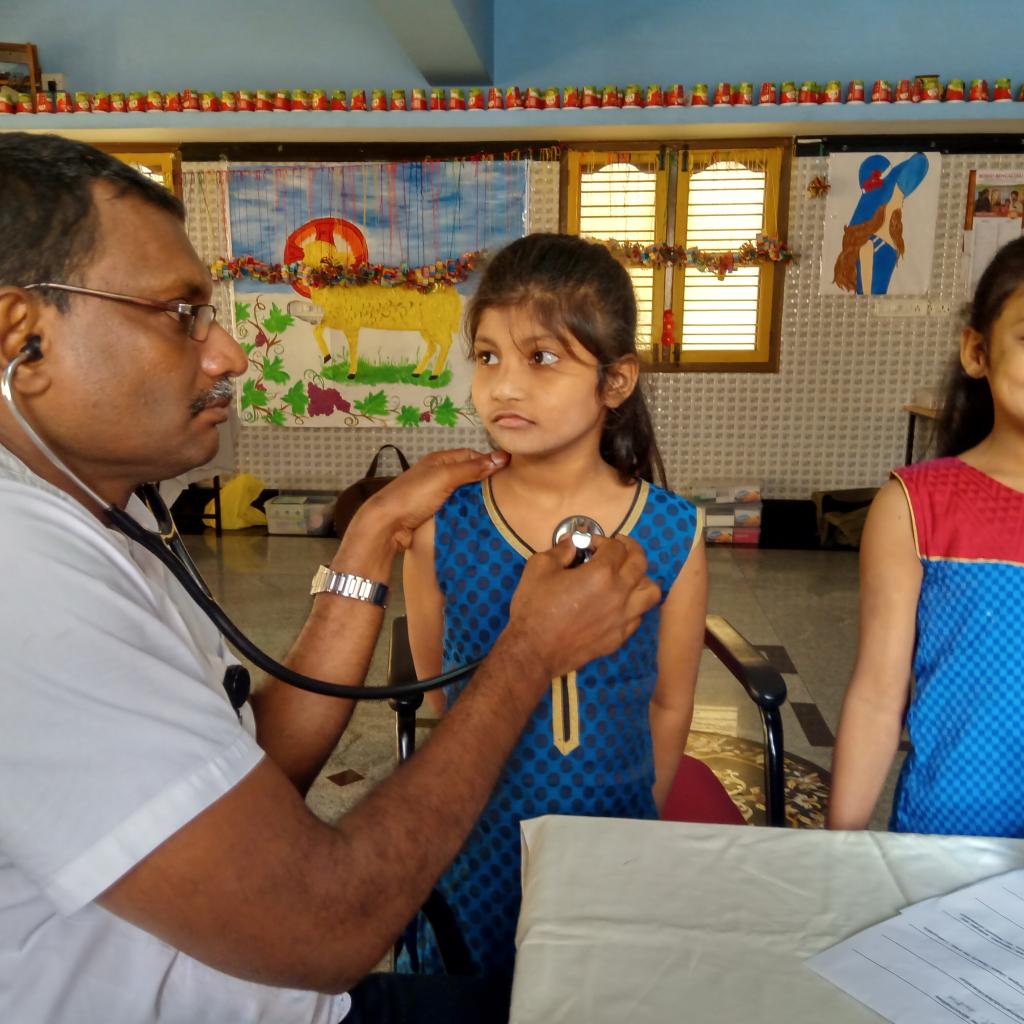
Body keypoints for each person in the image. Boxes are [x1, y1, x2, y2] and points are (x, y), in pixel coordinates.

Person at [0, 133, 662, 1024]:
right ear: (21, 338)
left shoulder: (88, 516)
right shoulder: (23, 578)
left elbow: (253, 778)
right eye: (181, 313)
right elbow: (328, 920)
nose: (228, 353)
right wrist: (529, 652)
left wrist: (373, 538)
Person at [400, 233, 708, 977]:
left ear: (615, 380)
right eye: (487, 356)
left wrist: (639, 813)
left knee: (597, 989)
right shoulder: (442, 525)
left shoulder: (673, 530)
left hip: (616, 830)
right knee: (473, 986)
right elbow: (441, 690)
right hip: (476, 831)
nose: (504, 385)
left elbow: (670, 702)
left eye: (540, 358)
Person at [829, 236, 1024, 837]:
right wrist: (839, 849)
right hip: (947, 839)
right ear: (977, 351)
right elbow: (878, 696)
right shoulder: (915, 505)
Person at [833, 152, 929, 295]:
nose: (902, 195)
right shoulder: (869, 245)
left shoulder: (891, 239)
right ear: (884, 198)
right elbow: (866, 299)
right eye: (897, 188)